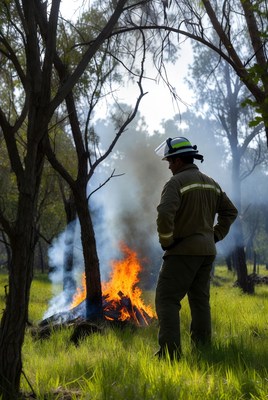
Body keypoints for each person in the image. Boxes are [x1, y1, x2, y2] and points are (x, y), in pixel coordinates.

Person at [154, 136, 238, 360]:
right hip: (207, 253)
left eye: (170, 161)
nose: (169, 166)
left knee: (166, 299)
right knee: (200, 301)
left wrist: (166, 241)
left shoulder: (176, 183)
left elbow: (164, 213)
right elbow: (231, 211)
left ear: (180, 161)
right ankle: (202, 349)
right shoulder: (211, 183)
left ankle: (170, 354)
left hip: (182, 252)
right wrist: (216, 235)